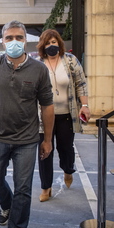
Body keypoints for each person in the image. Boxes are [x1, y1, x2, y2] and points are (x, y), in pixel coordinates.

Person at [0, 20, 54, 228]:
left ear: (26, 40)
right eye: (9, 38)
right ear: (2, 41)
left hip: (26, 140)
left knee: (24, 189)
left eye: (19, 37)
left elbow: (47, 106)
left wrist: (47, 139)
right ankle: (7, 205)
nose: (14, 41)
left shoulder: (39, 70)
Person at [36, 29, 91, 202]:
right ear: (42, 46)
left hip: (66, 114)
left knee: (65, 148)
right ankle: (46, 187)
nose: (51, 46)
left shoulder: (70, 60)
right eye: (48, 43)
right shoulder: (38, 64)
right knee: (44, 151)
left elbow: (81, 84)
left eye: (54, 42)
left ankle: (68, 169)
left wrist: (85, 105)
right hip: (43, 117)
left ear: (59, 43)